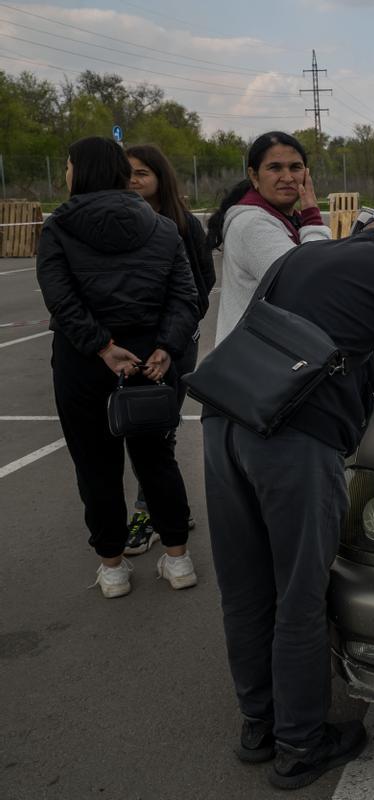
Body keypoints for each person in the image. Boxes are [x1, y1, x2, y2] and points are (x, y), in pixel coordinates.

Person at [202, 210, 374, 789]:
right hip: (292, 441)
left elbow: (300, 347)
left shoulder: (299, 259)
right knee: (301, 595)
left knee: (246, 589)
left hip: (222, 425)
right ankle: (302, 744)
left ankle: (260, 725)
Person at [36, 136, 198, 598]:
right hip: (149, 360)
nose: (65, 173)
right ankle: (178, 559)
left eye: (67, 166)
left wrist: (102, 347)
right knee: (157, 459)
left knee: (95, 465)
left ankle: (112, 567)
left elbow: (60, 298)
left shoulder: (58, 228)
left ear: (80, 171)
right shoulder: (163, 227)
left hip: (83, 362)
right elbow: (184, 297)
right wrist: (166, 347)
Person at [122, 143, 215, 553]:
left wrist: (175, 331)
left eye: (142, 172)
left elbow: (202, 283)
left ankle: (151, 511)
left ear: (160, 177)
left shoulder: (183, 225)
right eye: (126, 173)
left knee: (158, 428)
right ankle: (169, 505)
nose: (133, 180)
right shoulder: (117, 223)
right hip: (128, 345)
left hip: (174, 344)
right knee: (139, 429)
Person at [208, 131, 330, 343]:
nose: (288, 178)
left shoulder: (289, 218)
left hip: (273, 356)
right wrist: (313, 218)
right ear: (254, 176)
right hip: (254, 365)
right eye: (275, 168)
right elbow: (309, 282)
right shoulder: (253, 223)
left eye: (295, 167)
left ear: (306, 174)